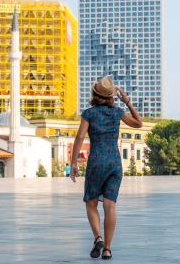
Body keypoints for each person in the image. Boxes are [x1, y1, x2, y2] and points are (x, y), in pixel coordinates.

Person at [70, 76, 142, 260]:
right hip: (114, 163)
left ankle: (98, 238)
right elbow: (138, 123)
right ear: (112, 96)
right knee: (110, 205)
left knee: (91, 202)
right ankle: (108, 249)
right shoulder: (117, 112)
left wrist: (73, 162)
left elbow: (79, 137)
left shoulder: (89, 113)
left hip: (96, 162)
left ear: (94, 94)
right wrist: (127, 102)